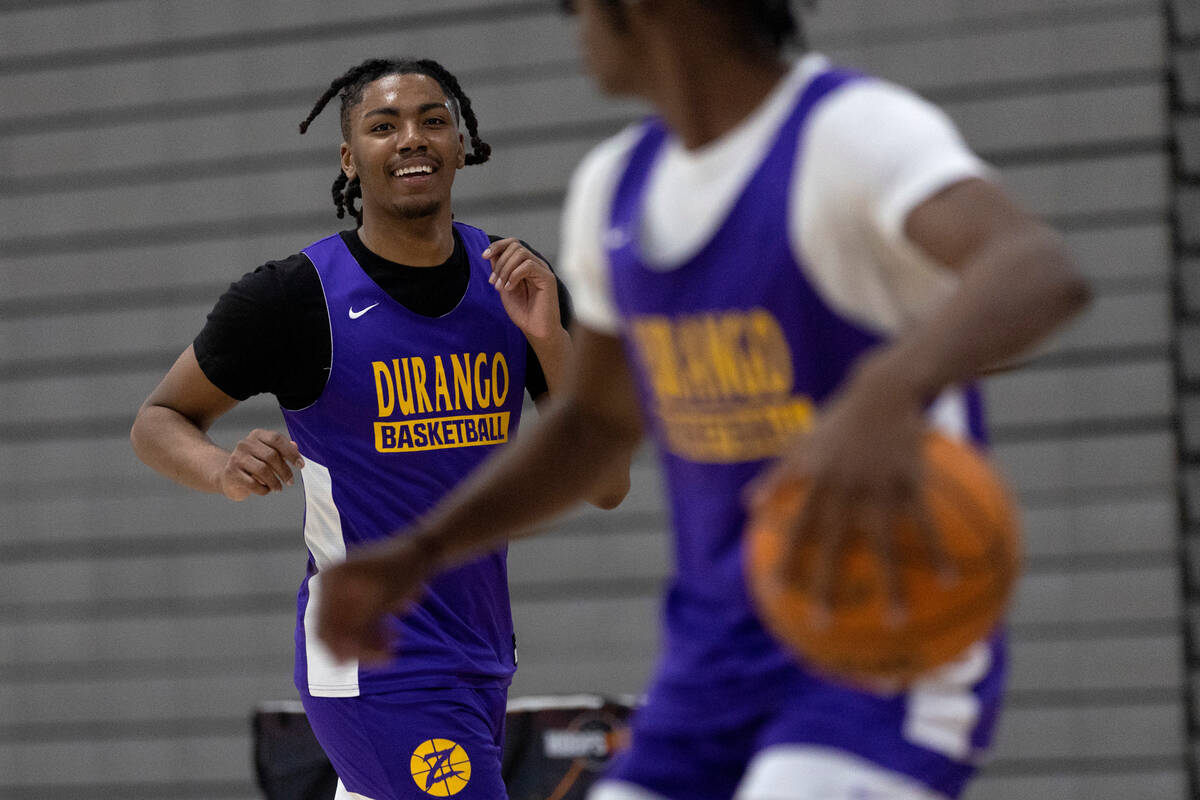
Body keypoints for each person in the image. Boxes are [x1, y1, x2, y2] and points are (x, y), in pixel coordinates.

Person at [316, 2, 1092, 799]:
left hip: (873, 637)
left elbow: (1034, 267)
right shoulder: (616, 187)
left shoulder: (850, 131)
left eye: (580, 8)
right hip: (714, 660)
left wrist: (889, 388)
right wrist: (420, 553)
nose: (575, 29)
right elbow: (591, 426)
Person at [130, 56, 629, 800]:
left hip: (481, 649)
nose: (411, 138)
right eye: (383, 125)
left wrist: (551, 337)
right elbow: (158, 419)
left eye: (433, 119)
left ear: (461, 145)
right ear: (349, 157)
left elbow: (607, 485)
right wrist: (221, 469)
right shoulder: (294, 297)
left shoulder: (515, 283)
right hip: (372, 661)